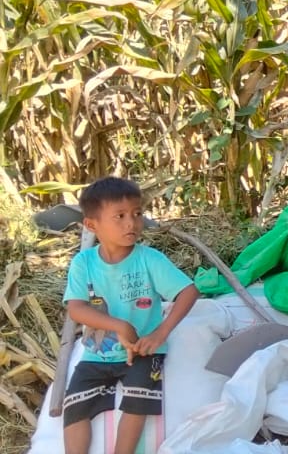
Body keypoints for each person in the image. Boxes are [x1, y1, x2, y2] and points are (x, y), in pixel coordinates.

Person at [61, 177, 199, 454]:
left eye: (137, 214)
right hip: (97, 353)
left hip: (144, 350)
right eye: (120, 216)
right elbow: (76, 308)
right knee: (74, 407)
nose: (132, 223)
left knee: (138, 401)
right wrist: (119, 326)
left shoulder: (150, 259)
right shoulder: (83, 263)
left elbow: (189, 291)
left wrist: (159, 334)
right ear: (92, 225)